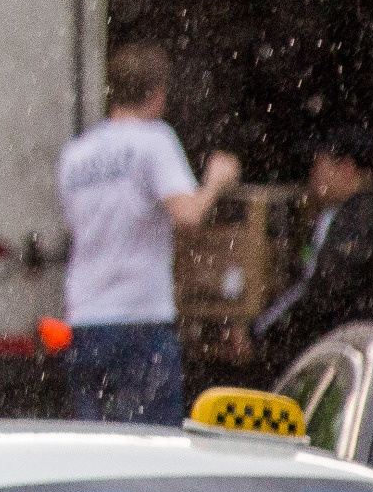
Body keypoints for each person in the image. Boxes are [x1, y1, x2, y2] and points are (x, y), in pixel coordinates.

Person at [57, 43, 239, 424]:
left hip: (85, 322)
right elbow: (187, 214)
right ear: (157, 96)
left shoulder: (76, 155)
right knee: (152, 453)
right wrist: (216, 183)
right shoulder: (154, 141)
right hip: (140, 323)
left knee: (95, 450)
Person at [252, 127, 373, 369]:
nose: (312, 176)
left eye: (318, 166)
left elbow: (325, 289)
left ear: (345, 169)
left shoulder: (359, 219)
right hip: (361, 347)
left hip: (360, 353)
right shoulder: (351, 213)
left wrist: (262, 332)